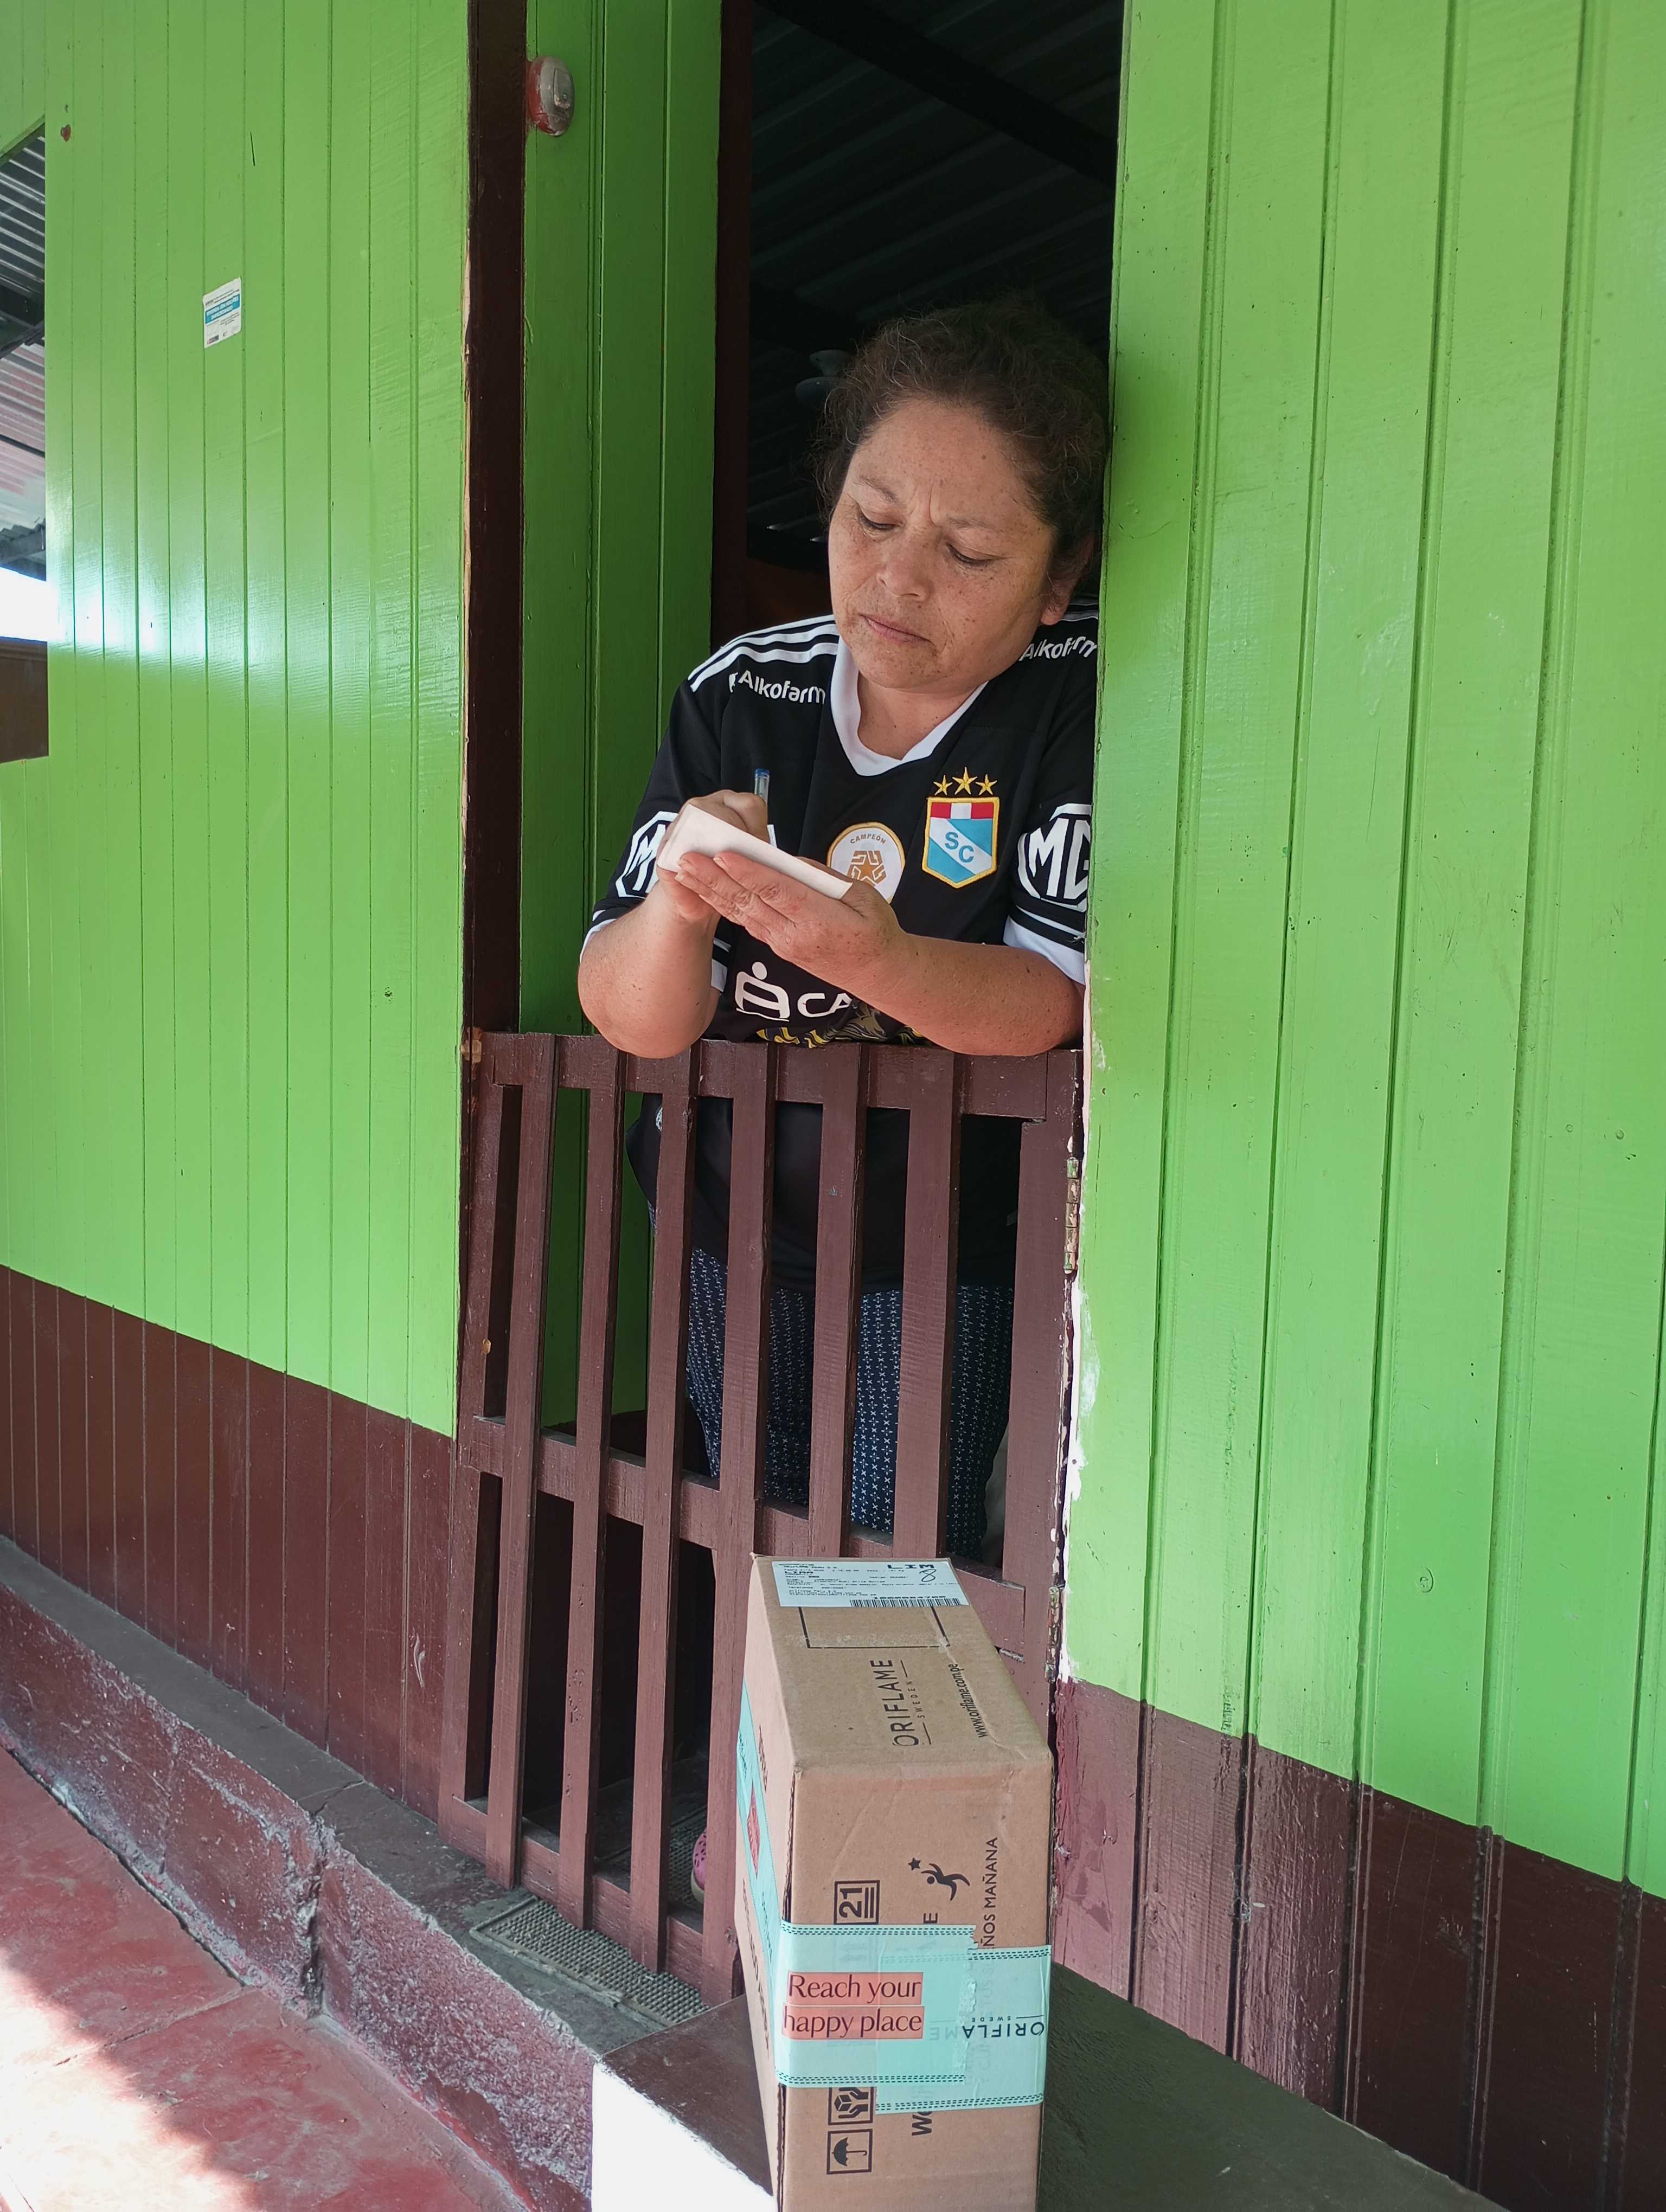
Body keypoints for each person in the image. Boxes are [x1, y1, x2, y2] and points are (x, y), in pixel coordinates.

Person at [580, 294, 1105, 1573]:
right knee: (751, 1517)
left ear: (1059, 579)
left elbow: (1055, 996)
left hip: (950, 1232)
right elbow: (630, 1010)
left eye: (969, 550)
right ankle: (762, 1713)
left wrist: (880, 962)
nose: (899, 577)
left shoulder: (1076, 696)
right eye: (871, 519)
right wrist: (682, 904)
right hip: (729, 1204)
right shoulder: (743, 692)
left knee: (894, 1546)